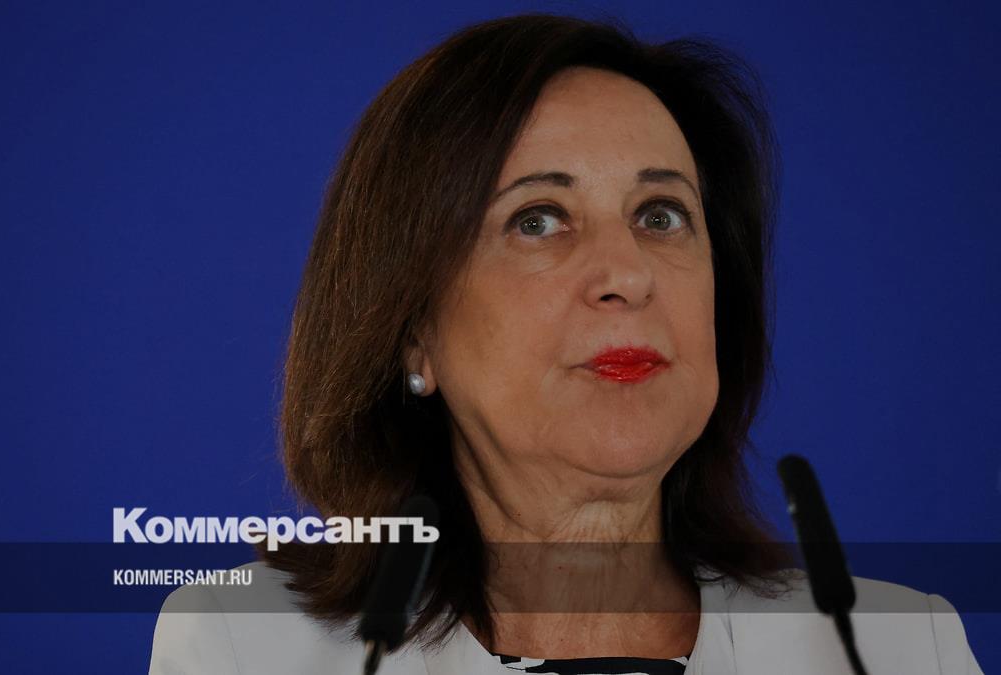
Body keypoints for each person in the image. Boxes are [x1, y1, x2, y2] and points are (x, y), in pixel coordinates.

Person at [150, 13, 982, 674]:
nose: (627, 273)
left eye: (661, 215)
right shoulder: (244, 647)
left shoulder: (905, 649)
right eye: (538, 219)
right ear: (412, 334)